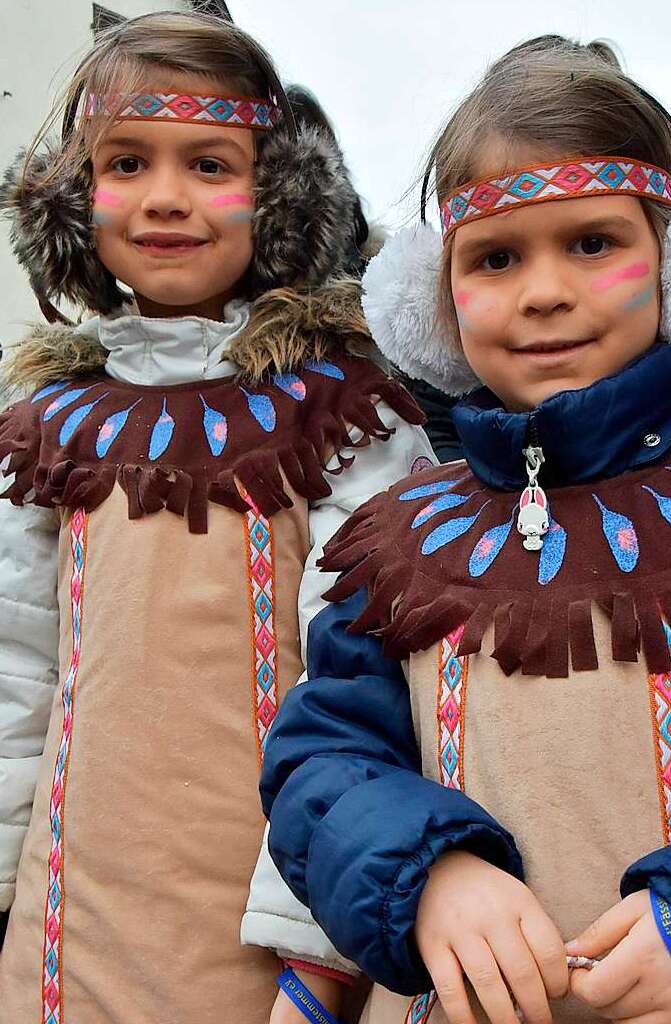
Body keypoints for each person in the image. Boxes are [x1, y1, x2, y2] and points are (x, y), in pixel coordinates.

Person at [259, 36, 671, 1024]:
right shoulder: (394, 535)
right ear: (431, 300)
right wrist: (423, 871)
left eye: (591, 243)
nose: (541, 291)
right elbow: (322, 759)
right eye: (494, 257)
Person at [0, 11, 434, 1024]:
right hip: (68, 933)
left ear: (277, 198)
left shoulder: (340, 416)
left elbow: (369, 682)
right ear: (75, 198)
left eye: (207, 163)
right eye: (125, 163)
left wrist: (318, 948)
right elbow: (15, 671)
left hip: (271, 936)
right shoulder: (45, 431)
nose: (163, 198)